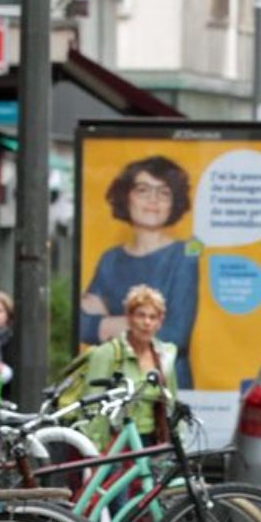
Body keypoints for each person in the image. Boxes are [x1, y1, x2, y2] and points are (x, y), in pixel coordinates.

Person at [79, 156, 200, 387]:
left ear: (174, 201)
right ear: (126, 196)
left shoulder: (184, 256)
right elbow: (83, 326)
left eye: (163, 192)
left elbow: (174, 335)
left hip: (165, 384)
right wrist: (144, 327)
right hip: (117, 382)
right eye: (142, 190)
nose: (152, 200)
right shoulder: (111, 259)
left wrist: (107, 323)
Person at [77, 283, 179, 450]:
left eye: (153, 317)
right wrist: (95, 452)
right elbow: (92, 407)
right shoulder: (108, 353)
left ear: (160, 322)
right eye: (141, 315)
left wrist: (177, 446)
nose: (147, 322)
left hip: (152, 444)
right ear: (129, 318)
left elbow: (172, 404)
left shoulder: (164, 355)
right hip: (114, 444)